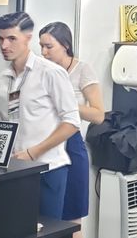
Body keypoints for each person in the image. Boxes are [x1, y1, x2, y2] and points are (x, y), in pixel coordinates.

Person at [0, 12, 80, 221]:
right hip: (11, 171)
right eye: (1, 38)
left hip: (47, 170)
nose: (4, 45)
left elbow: (72, 122)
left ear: (27, 38)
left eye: (12, 38)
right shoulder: (1, 80)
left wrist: (33, 152)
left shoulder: (51, 72)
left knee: (45, 231)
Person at [39, 22, 105, 236]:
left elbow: (98, 115)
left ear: (65, 45)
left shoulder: (82, 70)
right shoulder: (41, 71)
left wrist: (66, 104)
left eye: (49, 46)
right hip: (45, 145)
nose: (43, 52)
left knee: (72, 220)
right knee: (45, 220)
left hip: (71, 146)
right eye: (41, 46)